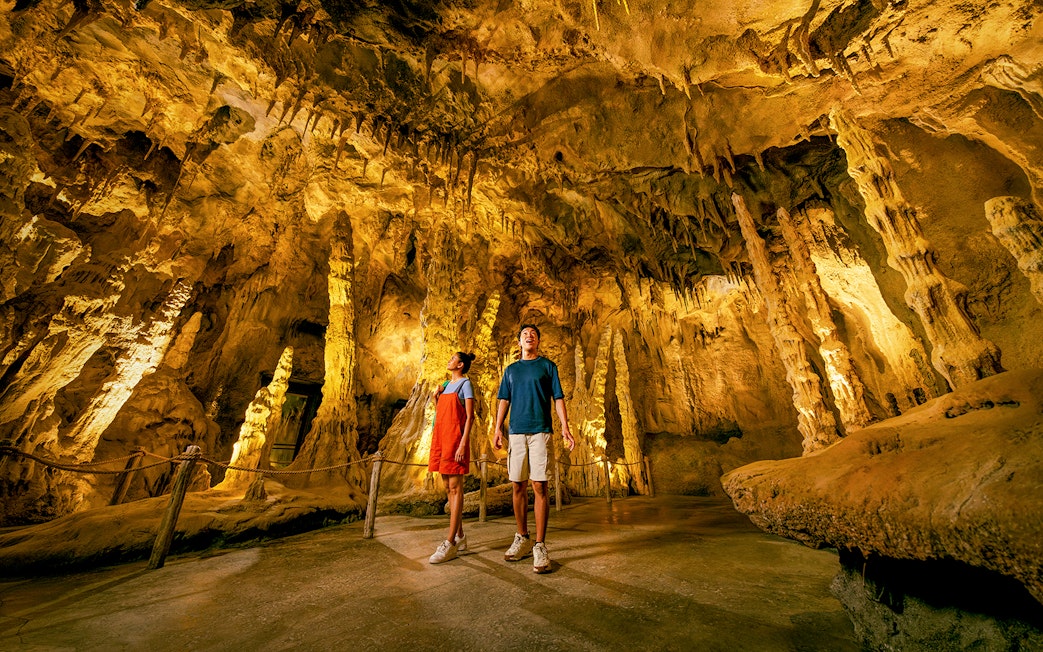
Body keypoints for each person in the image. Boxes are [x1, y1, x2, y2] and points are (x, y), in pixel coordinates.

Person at [494, 324, 575, 574]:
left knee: (539, 485)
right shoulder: (510, 370)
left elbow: (558, 397)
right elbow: (503, 400)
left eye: (533, 334)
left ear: (538, 341)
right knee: (517, 484)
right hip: (516, 431)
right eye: (524, 334)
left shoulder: (548, 367)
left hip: (541, 431)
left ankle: (540, 544)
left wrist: (565, 426)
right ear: (519, 342)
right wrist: (498, 428)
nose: (529, 337)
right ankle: (522, 537)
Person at [427, 351, 477, 564]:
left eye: (452, 359)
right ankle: (460, 535)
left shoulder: (465, 385)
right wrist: (435, 396)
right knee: (448, 488)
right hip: (440, 438)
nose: (448, 361)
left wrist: (463, 444)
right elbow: (440, 413)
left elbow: (469, 417)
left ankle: (450, 543)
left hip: (455, 439)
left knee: (456, 488)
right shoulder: (446, 385)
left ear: (461, 364)